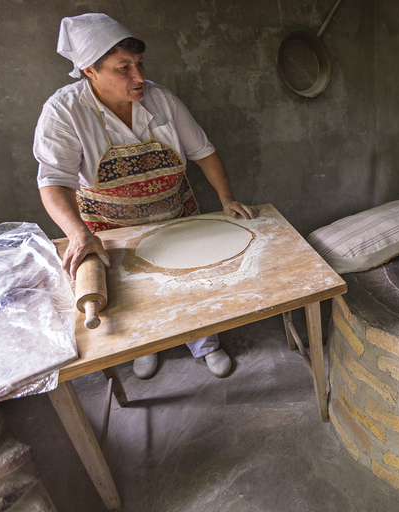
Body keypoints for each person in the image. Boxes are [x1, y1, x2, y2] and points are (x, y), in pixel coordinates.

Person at [34, 13, 257, 379]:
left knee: (190, 283)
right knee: (137, 295)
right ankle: (147, 345)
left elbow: (202, 151)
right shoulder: (64, 112)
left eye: (139, 64)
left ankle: (205, 344)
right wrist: (78, 234)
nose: (138, 77)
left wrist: (227, 199)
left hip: (175, 214)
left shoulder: (161, 100)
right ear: (90, 70)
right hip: (111, 226)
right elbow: (53, 182)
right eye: (123, 68)